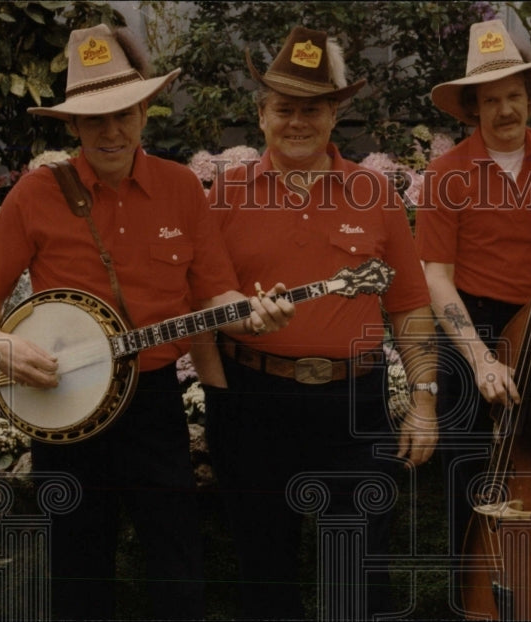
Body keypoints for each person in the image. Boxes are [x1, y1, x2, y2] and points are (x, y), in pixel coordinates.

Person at [0, 24, 288, 620]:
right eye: (94, 120)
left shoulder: (181, 188)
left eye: (124, 114)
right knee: (76, 569)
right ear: (73, 126)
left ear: (144, 111)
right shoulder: (34, 195)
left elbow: (216, 293)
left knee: (177, 563)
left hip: (152, 404)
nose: (111, 131)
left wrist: (253, 316)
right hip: (62, 407)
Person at [194, 26, 438, 621]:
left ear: (335, 115)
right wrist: (219, 394)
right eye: (284, 108)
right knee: (263, 572)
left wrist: (425, 400)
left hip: (352, 405)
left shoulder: (374, 193)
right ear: (261, 115)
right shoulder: (223, 196)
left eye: (312, 108)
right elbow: (198, 305)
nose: (297, 121)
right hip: (253, 399)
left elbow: (409, 305)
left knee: (358, 578)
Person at [413, 18, 531, 582]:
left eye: (514, 96)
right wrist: (480, 359)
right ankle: (471, 596)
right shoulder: (446, 173)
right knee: (470, 476)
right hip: (476, 326)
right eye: (491, 100)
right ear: (473, 109)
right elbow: (437, 278)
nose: (505, 110)